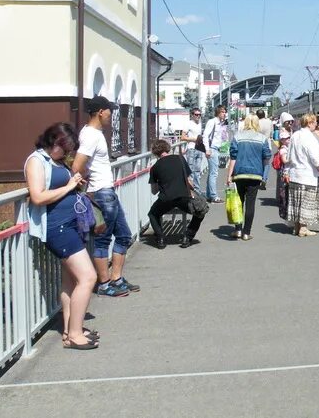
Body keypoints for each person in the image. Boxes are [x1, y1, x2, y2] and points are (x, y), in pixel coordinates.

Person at [24, 122, 98, 349]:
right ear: (53, 141)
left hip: (70, 224)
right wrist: (68, 186)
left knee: (71, 280)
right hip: (58, 228)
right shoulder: (36, 161)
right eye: (64, 148)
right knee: (88, 277)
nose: (66, 153)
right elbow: (38, 197)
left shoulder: (55, 161)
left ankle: (69, 330)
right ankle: (75, 334)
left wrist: (75, 184)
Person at [72, 96, 138, 297]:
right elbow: (77, 165)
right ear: (101, 111)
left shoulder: (94, 133)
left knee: (124, 235)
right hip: (101, 193)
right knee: (103, 240)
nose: (111, 115)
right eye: (109, 111)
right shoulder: (91, 135)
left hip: (106, 191)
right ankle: (104, 283)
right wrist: (83, 179)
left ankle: (116, 278)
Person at [148, 139, 207, 249]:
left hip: (166, 199)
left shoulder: (154, 167)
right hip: (183, 197)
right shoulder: (180, 159)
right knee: (200, 212)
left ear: (155, 153)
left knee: (153, 214)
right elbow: (189, 181)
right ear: (167, 148)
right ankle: (187, 237)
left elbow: (154, 191)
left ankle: (161, 239)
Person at [225, 114, 273, 240]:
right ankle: (247, 233)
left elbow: (233, 158)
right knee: (250, 204)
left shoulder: (237, 137)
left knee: (238, 202)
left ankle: (238, 230)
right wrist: (264, 176)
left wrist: (229, 175)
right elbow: (267, 157)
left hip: (239, 174)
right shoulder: (262, 138)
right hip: (255, 175)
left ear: (245, 123)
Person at [285, 114, 319, 237]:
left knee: (297, 202)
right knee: (306, 203)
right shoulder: (310, 138)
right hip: (308, 175)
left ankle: (297, 227)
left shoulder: (295, 135)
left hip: (295, 174)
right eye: (314, 123)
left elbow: (289, 155)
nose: (315, 125)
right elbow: (316, 159)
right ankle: (303, 228)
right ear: (309, 123)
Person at [203, 105, 231, 203]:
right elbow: (205, 136)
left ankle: (208, 195)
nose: (224, 114)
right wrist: (207, 149)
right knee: (214, 173)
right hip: (212, 149)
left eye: (225, 112)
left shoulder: (221, 123)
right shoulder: (212, 122)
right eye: (223, 112)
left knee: (212, 172)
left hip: (216, 149)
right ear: (218, 112)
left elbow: (222, 137)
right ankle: (214, 196)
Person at [180, 108, 204, 193]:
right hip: (191, 149)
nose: (198, 116)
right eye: (196, 115)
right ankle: (190, 191)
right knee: (191, 171)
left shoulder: (200, 124)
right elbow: (182, 137)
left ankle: (197, 191)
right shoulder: (188, 124)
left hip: (199, 149)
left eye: (199, 115)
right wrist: (193, 139)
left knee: (197, 171)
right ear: (192, 115)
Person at [257, 109, 274, 189]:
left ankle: (259, 178)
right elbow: (272, 134)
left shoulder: (256, 122)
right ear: (264, 115)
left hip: (258, 144)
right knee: (266, 163)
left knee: (259, 163)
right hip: (267, 144)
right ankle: (264, 179)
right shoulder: (269, 122)